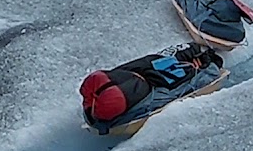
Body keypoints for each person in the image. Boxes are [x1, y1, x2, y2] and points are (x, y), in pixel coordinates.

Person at [79, 42, 224, 126]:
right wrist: (213, 66)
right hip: (122, 95)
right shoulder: (156, 89)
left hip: (107, 84)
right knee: (167, 87)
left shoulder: (137, 69)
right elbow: (180, 90)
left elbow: (152, 59)